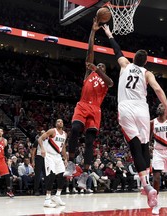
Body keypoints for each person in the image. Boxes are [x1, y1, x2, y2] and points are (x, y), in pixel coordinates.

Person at [102, 25, 167, 208]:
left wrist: (109, 33)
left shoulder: (125, 64)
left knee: (134, 147)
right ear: (145, 63)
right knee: (144, 146)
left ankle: (147, 187)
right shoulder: (147, 73)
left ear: (133, 59)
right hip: (142, 109)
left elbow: (116, 49)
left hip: (126, 109)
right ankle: (146, 185)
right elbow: (157, 89)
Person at [68, 17, 113, 187]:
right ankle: (71, 163)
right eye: (97, 65)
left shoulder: (105, 81)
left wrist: (99, 70)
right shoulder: (89, 74)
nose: (99, 66)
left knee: (89, 142)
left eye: (102, 66)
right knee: (74, 129)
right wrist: (93, 31)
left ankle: (84, 174)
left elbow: (110, 82)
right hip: (83, 104)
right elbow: (90, 52)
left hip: (95, 109)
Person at [39, 119, 68, 208]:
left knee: (62, 175)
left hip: (58, 157)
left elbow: (63, 147)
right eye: (58, 121)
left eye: (62, 122)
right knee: (51, 176)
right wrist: (42, 149)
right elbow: (40, 139)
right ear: (56, 124)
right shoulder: (52, 131)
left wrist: (65, 158)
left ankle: (57, 196)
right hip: (49, 156)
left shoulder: (65, 134)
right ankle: (47, 199)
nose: (60, 123)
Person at [31, 130, 46, 196]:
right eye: (42, 133)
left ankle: (46, 190)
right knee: (37, 175)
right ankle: (36, 190)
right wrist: (33, 161)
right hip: (39, 157)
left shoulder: (48, 142)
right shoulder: (37, 141)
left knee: (47, 175)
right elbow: (33, 152)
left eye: (44, 133)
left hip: (46, 158)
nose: (43, 134)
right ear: (40, 134)